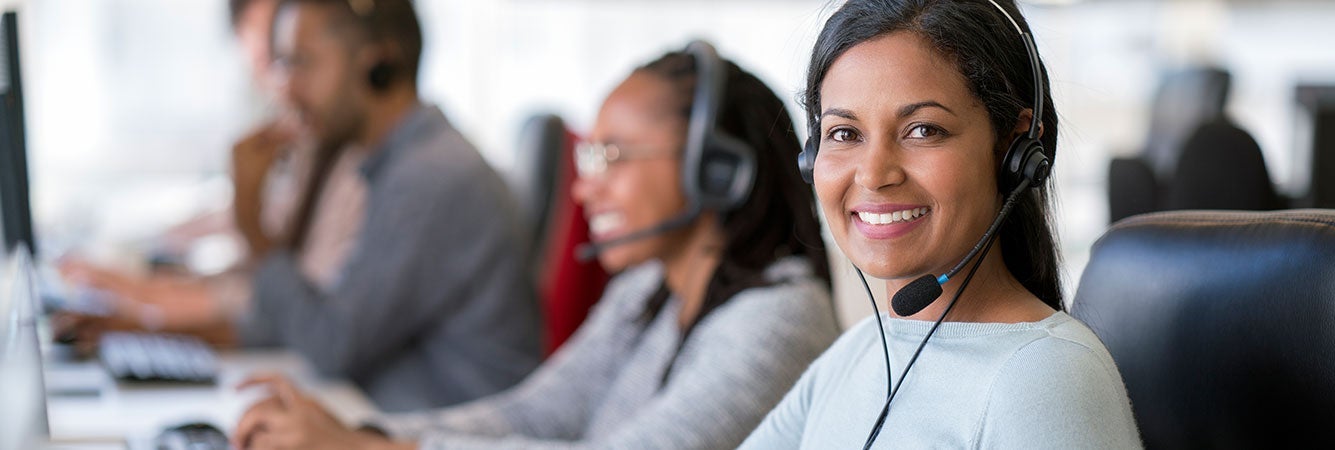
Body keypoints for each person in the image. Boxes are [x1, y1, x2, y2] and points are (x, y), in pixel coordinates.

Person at [230, 42, 841, 450]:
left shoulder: (780, 317)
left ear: (715, 170)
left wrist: (363, 449)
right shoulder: (648, 292)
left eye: (612, 156)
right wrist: (362, 433)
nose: (584, 184)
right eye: (586, 155)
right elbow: (534, 415)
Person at [72, 0, 543, 413]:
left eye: (303, 64)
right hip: (388, 411)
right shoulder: (393, 164)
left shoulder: (430, 179)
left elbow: (332, 342)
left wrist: (253, 226)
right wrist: (152, 333)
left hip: (444, 425)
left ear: (377, 64)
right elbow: (313, 320)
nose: (285, 90)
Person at [740, 0, 1142, 448]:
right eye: (845, 133)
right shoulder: (860, 354)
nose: (874, 174)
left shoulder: (1045, 378)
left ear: (1014, 151)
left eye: (923, 130)